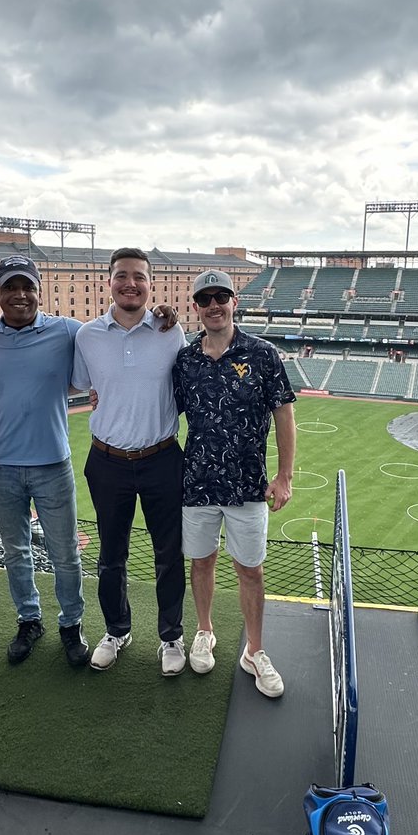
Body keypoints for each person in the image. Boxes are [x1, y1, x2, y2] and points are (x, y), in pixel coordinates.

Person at [172, 269, 296, 697]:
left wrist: (284, 476)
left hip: (247, 486)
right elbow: (162, 408)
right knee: (201, 562)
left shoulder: (263, 355)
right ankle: (204, 631)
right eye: (205, 299)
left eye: (221, 296)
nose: (213, 305)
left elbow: (284, 415)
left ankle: (254, 651)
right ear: (196, 307)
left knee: (251, 571)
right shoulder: (185, 360)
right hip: (198, 483)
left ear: (233, 302)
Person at [0, 255, 91, 668]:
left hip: (52, 465)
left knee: (65, 554)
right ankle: (29, 619)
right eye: (10, 287)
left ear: (40, 291)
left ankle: (71, 624)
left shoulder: (67, 330)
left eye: (27, 287)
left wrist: (159, 315)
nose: (20, 294)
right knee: (16, 552)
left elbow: (113, 332)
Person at [73, 248, 187, 675]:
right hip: (108, 461)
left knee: (169, 555)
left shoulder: (169, 331)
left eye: (139, 276)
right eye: (122, 275)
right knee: (110, 556)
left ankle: (171, 637)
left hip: (161, 458)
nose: (131, 283)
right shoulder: (87, 336)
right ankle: (116, 630)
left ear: (149, 283)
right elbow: (85, 386)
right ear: (110, 281)